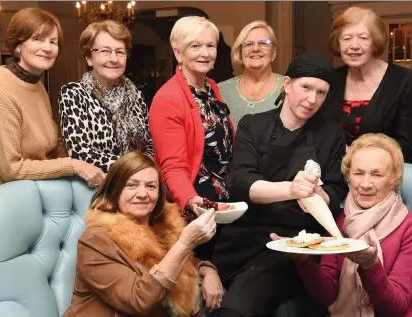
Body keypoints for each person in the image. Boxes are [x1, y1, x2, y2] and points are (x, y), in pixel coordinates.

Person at [212, 52, 349, 317]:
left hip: (298, 244)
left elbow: (335, 191)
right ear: (286, 84)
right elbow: (240, 184)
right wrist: (290, 189)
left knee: (240, 306)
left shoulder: (331, 134)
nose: (312, 100)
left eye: (321, 93)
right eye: (306, 87)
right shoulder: (254, 125)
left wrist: (319, 192)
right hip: (246, 240)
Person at [272, 133, 412, 317]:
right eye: (358, 173)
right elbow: (327, 296)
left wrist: (371, 265)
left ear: (394, 179)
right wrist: (303, 260)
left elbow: (395, 307)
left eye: (377, 174)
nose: (365, 184)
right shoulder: (338, 221)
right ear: (349, 176)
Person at [63, 152, 224, 317]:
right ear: (115, 190)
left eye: (151, 186)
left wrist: (206, 270)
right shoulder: (95, 240)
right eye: (131, 185)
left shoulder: (161, 227)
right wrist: (185, 244)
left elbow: (179, 265)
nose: (142, 193)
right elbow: (140, 300)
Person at [0, 8, 103, 196]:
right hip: (8, 206)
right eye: (37, 39)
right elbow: (12, 170)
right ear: (18, 45)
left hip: (41, 196)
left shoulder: (37, 86)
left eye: (53, 42)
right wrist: (73, 165)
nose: (47, 48)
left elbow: (48, 151)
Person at [149, 16, 234, 261]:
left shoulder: (210, 88)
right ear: (178, 52)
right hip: (192, 212)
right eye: (195, 46)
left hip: (221, 207)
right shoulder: (168, 98)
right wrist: (190, 201)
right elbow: (172, 167)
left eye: (210, 45)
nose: (205, 53)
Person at [323, 6, 412, 163]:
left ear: (375, 43)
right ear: (338, 43)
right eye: (347, 38)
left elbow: (408, 147)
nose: (354, 45)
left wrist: (356, 157)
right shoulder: (330, 79)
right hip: (334, 170)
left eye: (363, 38)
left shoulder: (404, 80)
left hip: (382, 174)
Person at [59, 20, 153, 174]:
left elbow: (150, 143)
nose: (114, 59)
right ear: (89, 58)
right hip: (99, 187)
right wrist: (134, 168)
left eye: (120, 52)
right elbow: (80, 153)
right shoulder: (73, 93)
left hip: (140, 182)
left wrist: (143, 170)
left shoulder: (136, 95)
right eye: (105, 51)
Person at [218, 21, 283, 128]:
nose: (256, 49)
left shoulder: (288, 88)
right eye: (249, 44)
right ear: (240, 52)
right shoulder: (220, 90)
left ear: (273, 52)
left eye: (263, 43)